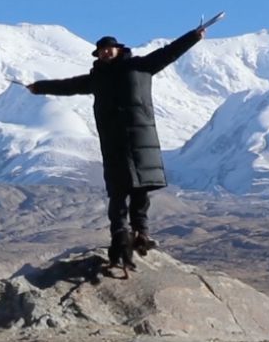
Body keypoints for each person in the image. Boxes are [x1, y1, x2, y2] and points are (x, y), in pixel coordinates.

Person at [26, 25, 206, 277]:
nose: (104, 54)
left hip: (140, 139)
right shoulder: (97, 78)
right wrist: (40, 87)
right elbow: (67, 86)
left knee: (141, 191)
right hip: (113, 142)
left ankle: (141, 234)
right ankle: (120, 236)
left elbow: (169, 52)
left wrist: (193, 37)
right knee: (119, 193)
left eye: (107, 49)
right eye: (100, 52)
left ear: (118, 49)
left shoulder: (141, 66)